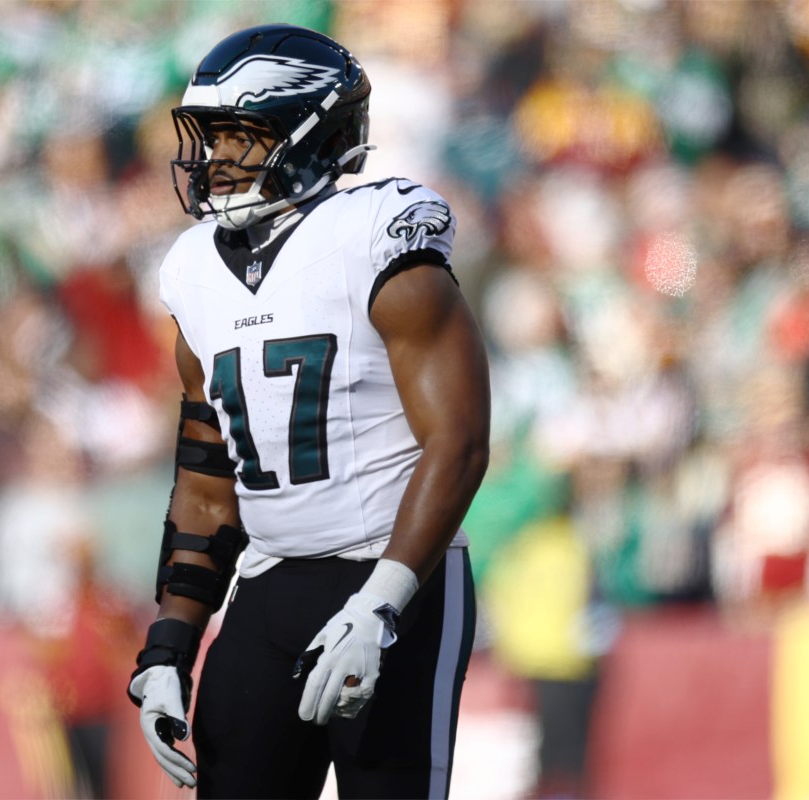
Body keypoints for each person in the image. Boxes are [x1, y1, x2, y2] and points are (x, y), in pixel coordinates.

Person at [127, 23, 491, 799]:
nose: (217, 156)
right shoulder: (193, 271)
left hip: (395, 576)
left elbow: (458, 442)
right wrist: (168, 645)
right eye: (212, 135)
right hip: (266, 585)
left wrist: (383, 605)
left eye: (243, 134)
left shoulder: (376, 237)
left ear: (315, 134)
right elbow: (206, 484)